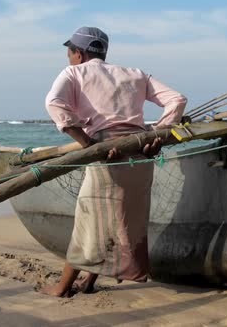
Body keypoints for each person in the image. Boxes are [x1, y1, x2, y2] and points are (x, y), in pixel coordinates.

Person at [41, 26, 187, 297]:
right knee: (121, 219)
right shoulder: (135, 74)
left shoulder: (74, 72)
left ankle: (62, 288)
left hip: (107, 154)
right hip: (140, 154)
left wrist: (88, 144)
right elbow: (177, 100)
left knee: (90, 219)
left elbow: (54, 103)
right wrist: (156, 135)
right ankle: (90, 282)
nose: (69, 57)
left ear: (79, 53)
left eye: (69, 51)